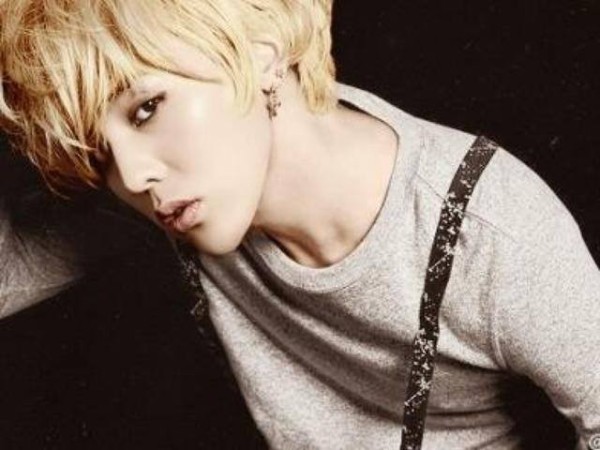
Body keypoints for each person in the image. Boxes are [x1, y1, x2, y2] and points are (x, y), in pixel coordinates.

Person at [1, 1, 599, 449]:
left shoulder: (488, 231)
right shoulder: (181, 195)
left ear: (261, 53)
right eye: (99, 154)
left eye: (147, 108)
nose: (132, 175)